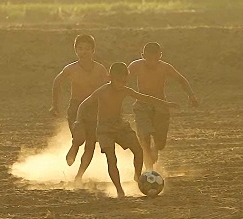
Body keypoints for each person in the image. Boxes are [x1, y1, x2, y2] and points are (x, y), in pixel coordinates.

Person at [78, 62, 179, 197]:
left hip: (121, 127)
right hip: (104, 130)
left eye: (124, 81)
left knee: (138, 150)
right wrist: (78, 121)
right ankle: (119, 189)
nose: (121, 84)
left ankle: (137, 177)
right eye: (119, 81)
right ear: (110, 78)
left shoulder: (126, 90)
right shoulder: (102, 91)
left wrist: (166, 103)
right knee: (111, 158)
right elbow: (84, 104)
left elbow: (145, 98)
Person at [128, 42, 199, 170]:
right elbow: (121, 80)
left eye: (155, 59)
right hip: (142, 106)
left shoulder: (165, 67)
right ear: (143, 55)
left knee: (160, 143)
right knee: (144, 137)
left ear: (160, 56)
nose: (152, 62)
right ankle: (149, 170)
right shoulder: (135, 66)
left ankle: (154, 150)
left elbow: (181, 79)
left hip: (161, 106)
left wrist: (191, 95)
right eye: (148, 58)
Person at [49, 34, 108, 182]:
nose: (83, 52)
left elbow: (108, 88)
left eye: (87, 49)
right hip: (76, 108)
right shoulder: (71, 69)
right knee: (80, 138)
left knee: (91, 144)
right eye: (80, 49)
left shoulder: (100, 69)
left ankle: (79, 175)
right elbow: (57, 82)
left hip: (95, 109)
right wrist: (54, 105)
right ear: (76, 51)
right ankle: (75, 146)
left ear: (93, 50)